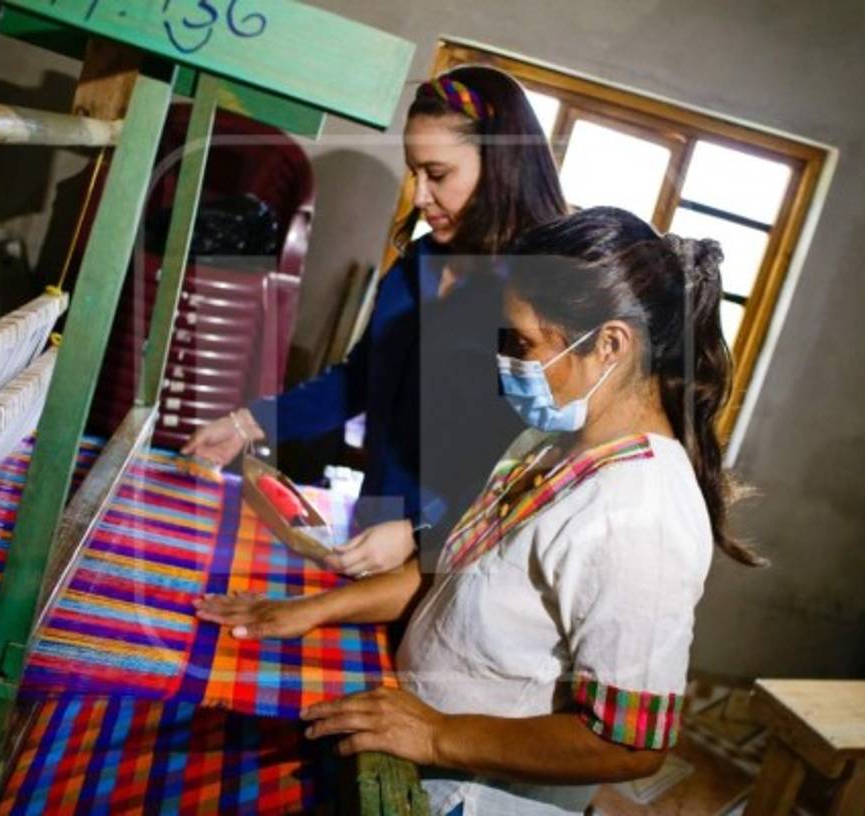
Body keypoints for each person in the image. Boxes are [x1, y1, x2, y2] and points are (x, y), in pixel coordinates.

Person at [195, 207, 767, 814]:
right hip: (417, 743)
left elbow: (630, 745)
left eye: (522, 342)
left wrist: (438, 735)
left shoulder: (639, 516)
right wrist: (308, 611)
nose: (506, 361)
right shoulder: (548, 444)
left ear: (610, 345)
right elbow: (453, 568)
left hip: (473, 795)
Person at [183, 66, 566, 576]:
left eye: (438, 173)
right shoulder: (418, 266)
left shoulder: (539, 292)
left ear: (501, 163)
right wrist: (247, 422)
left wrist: (418, 530)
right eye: (415, 173)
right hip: (377, 524)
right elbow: (357, 382)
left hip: (456, 555)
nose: (421, 197)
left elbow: (533, 456)